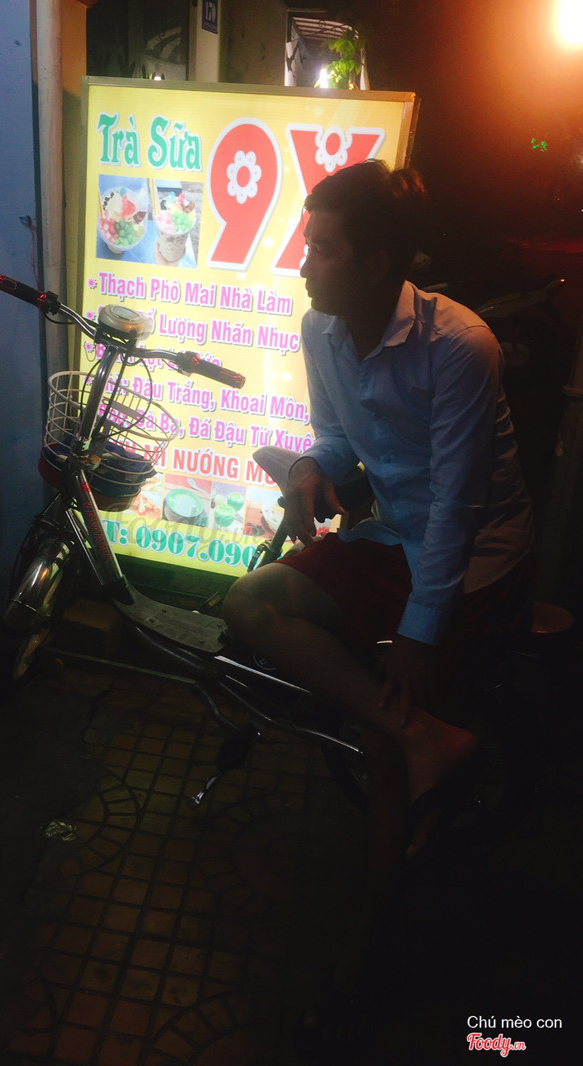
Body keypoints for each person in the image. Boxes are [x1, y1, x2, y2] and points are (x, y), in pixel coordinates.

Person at [222, 161, 534, 1053]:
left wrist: (415, 636)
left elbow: (459, 511)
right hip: (396, 535)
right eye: (307, 242)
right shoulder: (321, 327)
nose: (302, 263)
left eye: (321, 248)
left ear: (378, 262)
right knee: (251, 602)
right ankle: (420, 734)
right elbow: (335, 437)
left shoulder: (460, 347)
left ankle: (359, 963)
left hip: (476, 560)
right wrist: (310, 469)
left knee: (386, 760)